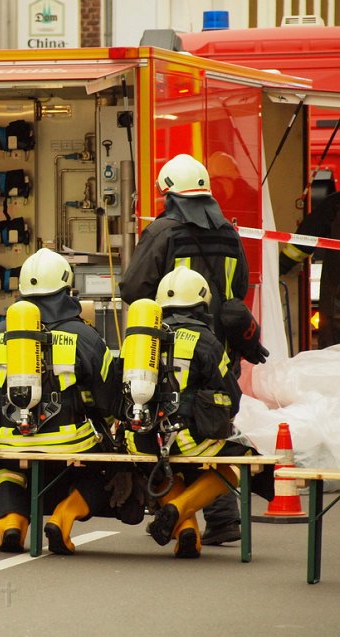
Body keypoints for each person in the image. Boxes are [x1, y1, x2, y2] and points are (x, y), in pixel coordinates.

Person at [119, 153, 260, 546]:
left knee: (174, 429)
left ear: (169, 194)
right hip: (221, 350)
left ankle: (183, 516)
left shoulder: (164, 232)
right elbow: (240, 288)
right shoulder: (229, 233)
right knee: (213, 430)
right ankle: (221, 517)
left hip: (174, 351)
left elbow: (133, 289)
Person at [0, 248, 127, 554]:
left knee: (0, 468)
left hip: (8, 440)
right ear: (67, 288)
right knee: (105, 471)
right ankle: (62, 519)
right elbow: (109, 399)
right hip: (71, 442)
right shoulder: (85, 336)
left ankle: (12, 525)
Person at [127, 267, 273, 558]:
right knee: (235, 467)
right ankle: (177, 509)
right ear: (201, 303)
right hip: (191, 437)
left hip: (143, 439)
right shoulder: (206, 341)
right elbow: (231, 395)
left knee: (165, 468)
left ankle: (187, 531)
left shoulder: (143, 338)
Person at [279, 188, 340, 348]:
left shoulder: (335, 204)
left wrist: (280, 266)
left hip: (336, 300)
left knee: (332, 358)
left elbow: (305, 239)